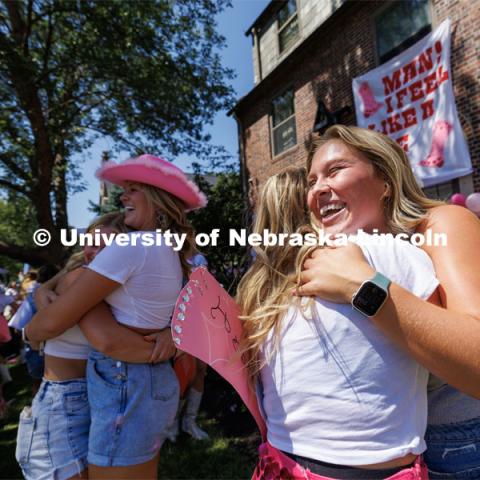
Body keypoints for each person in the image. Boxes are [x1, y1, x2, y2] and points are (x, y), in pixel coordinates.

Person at [296, 125, 480, 479]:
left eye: (335, 171)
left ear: (385, 182)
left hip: (459, 449)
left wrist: (364, 287)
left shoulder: (440, 224)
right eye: (311, 180)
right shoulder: (335, 252)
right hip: (381, 460)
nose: (318, 188)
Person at [238, 166, 440, 479]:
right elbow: (443, 346)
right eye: (313, 182)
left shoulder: (256, 287)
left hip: (279, 461)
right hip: (373, 467)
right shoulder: (380, 252)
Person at [26, 154, 205, 479]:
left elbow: (48, 324)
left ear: (157, 196)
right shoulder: (167, 250)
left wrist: (29, 331)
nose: (123, 195)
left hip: (125, 382)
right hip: (151, 382)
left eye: (133, 189)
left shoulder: (132, 246)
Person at [16, 212, 165, 480]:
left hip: (98, 396)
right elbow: (110, 342)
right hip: (63, 404)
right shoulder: (81, 280)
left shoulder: (122, 289)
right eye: (89, 243)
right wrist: (173, 345)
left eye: (103, 246)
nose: (92, 252)